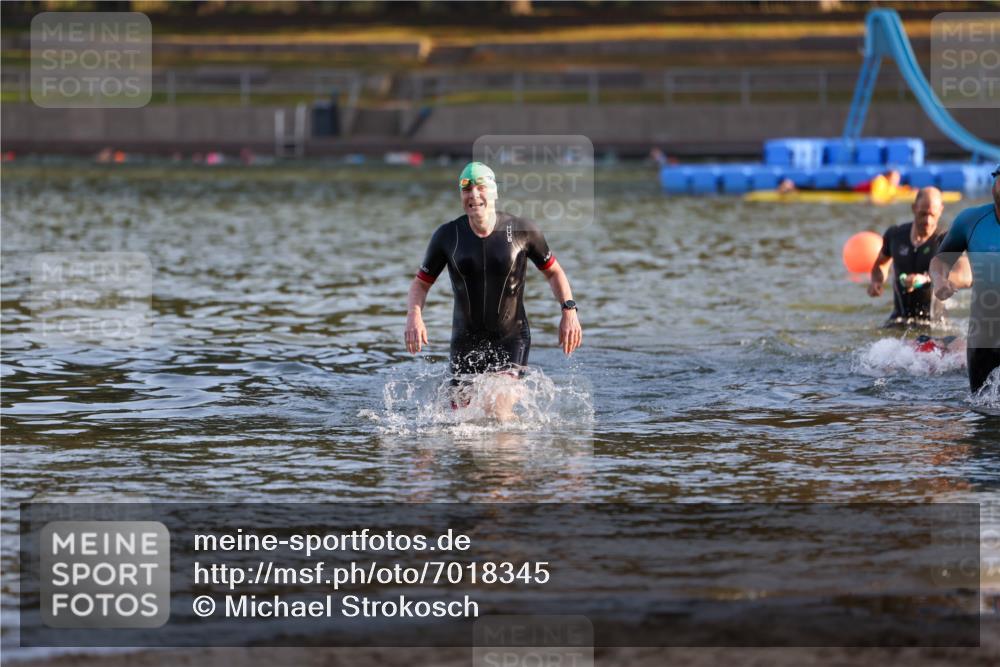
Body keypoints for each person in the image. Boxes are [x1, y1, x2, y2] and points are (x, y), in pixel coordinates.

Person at [404, 162, 583, 419]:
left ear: (494, 192)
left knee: (497, 409)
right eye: (466, 189)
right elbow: (421, 283)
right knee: (458, 421)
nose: (474, 195)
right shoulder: (447, 235)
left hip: (510, 338)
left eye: (480, 187)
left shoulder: (522, 230)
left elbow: (554, 271)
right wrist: (414, 315)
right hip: (465, 342)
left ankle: (510, 456)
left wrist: (569, 310)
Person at [930, 165, 1000, 394]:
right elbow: (940, 261)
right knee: (982, 412)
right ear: (994, 184)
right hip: (983, 339)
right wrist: (940, 282)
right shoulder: (971, 221)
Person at [867, 187, 963, 326]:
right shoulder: (895, 235)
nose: (928, 221)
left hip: (934, 325)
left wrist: (926, 279)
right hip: (899, 320)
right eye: (923, 214)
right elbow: (880, 265)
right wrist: (877, 282)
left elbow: (961, 274)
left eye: (932, 215)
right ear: (914, 208)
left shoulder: (946, 240)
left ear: (941, 210)